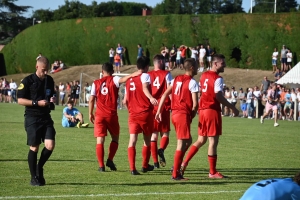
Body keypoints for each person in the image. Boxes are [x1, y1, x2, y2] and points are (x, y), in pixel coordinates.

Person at [180, 54, 239, 179]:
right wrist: (232, 107)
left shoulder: (204, 75)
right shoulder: (218, 78)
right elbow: (218, 96)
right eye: (223, 63)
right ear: (215, 64)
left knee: (201, 140)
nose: (225, 65)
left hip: (202, 110)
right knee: (213, 141)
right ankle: (212, 172)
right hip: (212, 110)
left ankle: (184, 163)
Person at [89, 62, 140, 172]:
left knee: (100, 140)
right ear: (112, 71)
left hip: (99, 115)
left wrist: (90, 113)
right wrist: (133, 74)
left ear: (102, 72)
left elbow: (92, 99)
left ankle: (101, 166)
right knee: (115, 138)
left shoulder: (96, 83)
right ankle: (110, 159)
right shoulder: (114, 79)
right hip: (111, 115)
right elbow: (124, 79)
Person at [155, 58, 199, 180]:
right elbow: (195, 105)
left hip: (174, 114)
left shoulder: (176, 79)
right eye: (196, 66)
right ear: (191, 68)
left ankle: (176, 166)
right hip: (182, 114)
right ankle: (175, 173)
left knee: (188, 141)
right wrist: (192, 115)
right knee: (181, 143)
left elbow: (164, 94)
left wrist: (158, 111)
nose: (198, 67)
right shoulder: (192, 82)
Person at [17, 56, 56, 186]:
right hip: (32, 117)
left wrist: (52, 99)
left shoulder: (49, 80)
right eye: (43, 70)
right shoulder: (27, 81)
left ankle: (40, 167)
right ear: (37, 67)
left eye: (47, 70)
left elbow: (52, 94)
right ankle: (34, 177)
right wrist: (36, 103)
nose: (45, 73)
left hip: (46, 117)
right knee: (34, 147)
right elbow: (20, 100)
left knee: (50, 145)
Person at [123, 56, 158, 175]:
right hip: (144, 113)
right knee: (147, 140)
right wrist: (151, 98)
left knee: (132, 140)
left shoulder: (129, 79)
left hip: (132, 114)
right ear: (147, 66)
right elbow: (144, 88)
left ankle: (132, 168)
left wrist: (130, 110)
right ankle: (144, 165)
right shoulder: (145, 76)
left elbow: (125, 100)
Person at [148, 54, 172, 168]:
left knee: (153, 135)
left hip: (152, 107)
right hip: (163, 107)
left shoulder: (148, 75)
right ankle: (161, 149)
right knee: (165, 133)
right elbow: (170, 90)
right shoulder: (167, 74)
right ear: (161, 62)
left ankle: (155, 162)